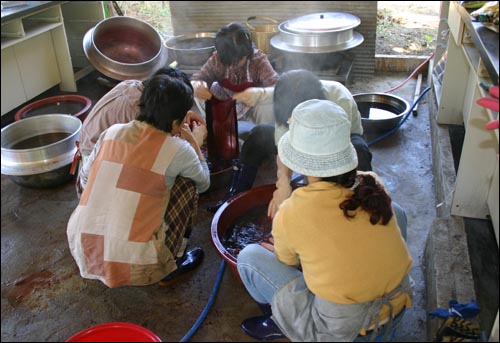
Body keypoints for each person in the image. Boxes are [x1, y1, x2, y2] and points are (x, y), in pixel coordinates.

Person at [237, 99, 413, 341]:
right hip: (397, 307)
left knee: (248, 258)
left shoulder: (293, 210)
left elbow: (288, 261)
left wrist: (281, 243)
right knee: (397, 211)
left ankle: (281, 322)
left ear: (296, 159)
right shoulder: (371, 181)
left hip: (343, 332)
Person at [67, 73, 210, 288]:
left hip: (83, 250)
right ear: (175, 122)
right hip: (139, 266)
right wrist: (194, 142)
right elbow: (205, 183)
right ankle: (172, 265)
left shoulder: (111, 133)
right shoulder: (177, 148)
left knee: (111, 182)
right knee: (188, 184)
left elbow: (86, 179)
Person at [207, 69, 372, 213]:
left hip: (341, 144)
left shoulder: (339, 99)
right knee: (258, 134)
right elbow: (282, 147)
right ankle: (235, 193)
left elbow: (329, 158)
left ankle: (362, 202)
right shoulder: (286, 101)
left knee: (360, 151)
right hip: (300, 141)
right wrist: (283, 185)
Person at [76, 67, 207, 197]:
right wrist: (194, 141)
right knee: (181, 179)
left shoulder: (132, 86)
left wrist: (181, 114)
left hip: (87, 171)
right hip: (97, 173)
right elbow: (202, 183)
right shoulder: (139, 116)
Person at [190, 21, 279, 125]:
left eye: (239, 59)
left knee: (267, 105)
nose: (234, 65)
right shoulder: (217, 59)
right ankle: (216, 126)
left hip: (251, 106)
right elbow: (199, 77)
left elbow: (278, 87)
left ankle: (259, 132)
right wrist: (196, 85)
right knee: (198, 94)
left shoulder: (258, 60)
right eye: (230, 61)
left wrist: (259, 93)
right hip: (225, 103)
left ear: (248, 51)